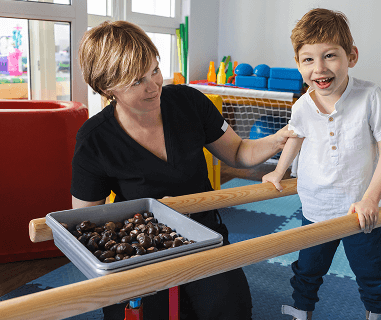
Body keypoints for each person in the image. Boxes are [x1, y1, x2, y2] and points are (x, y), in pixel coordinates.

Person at [73, 20, 296, 320]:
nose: (153, 86)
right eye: (136, 81)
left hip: (203, 232)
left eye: (154, 70)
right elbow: (87, 225)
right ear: (106, 87)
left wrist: (279, 138)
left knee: (230, 309)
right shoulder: (94, 139)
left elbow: (238, 151)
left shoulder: (188, 102)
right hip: (141, 247)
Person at [262, 9, 381, 320]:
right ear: (298, 64)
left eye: (329, 56)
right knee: (307, 270)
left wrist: (369, 199)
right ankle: (302, 311)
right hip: (316, 207)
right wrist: (278, 171)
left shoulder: (370, 96)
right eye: (308, 59)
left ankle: (376, 313)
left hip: (359, 210)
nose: (319, 68)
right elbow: (295, 138)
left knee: (371, 271)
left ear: (351, 56)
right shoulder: (302, 105)